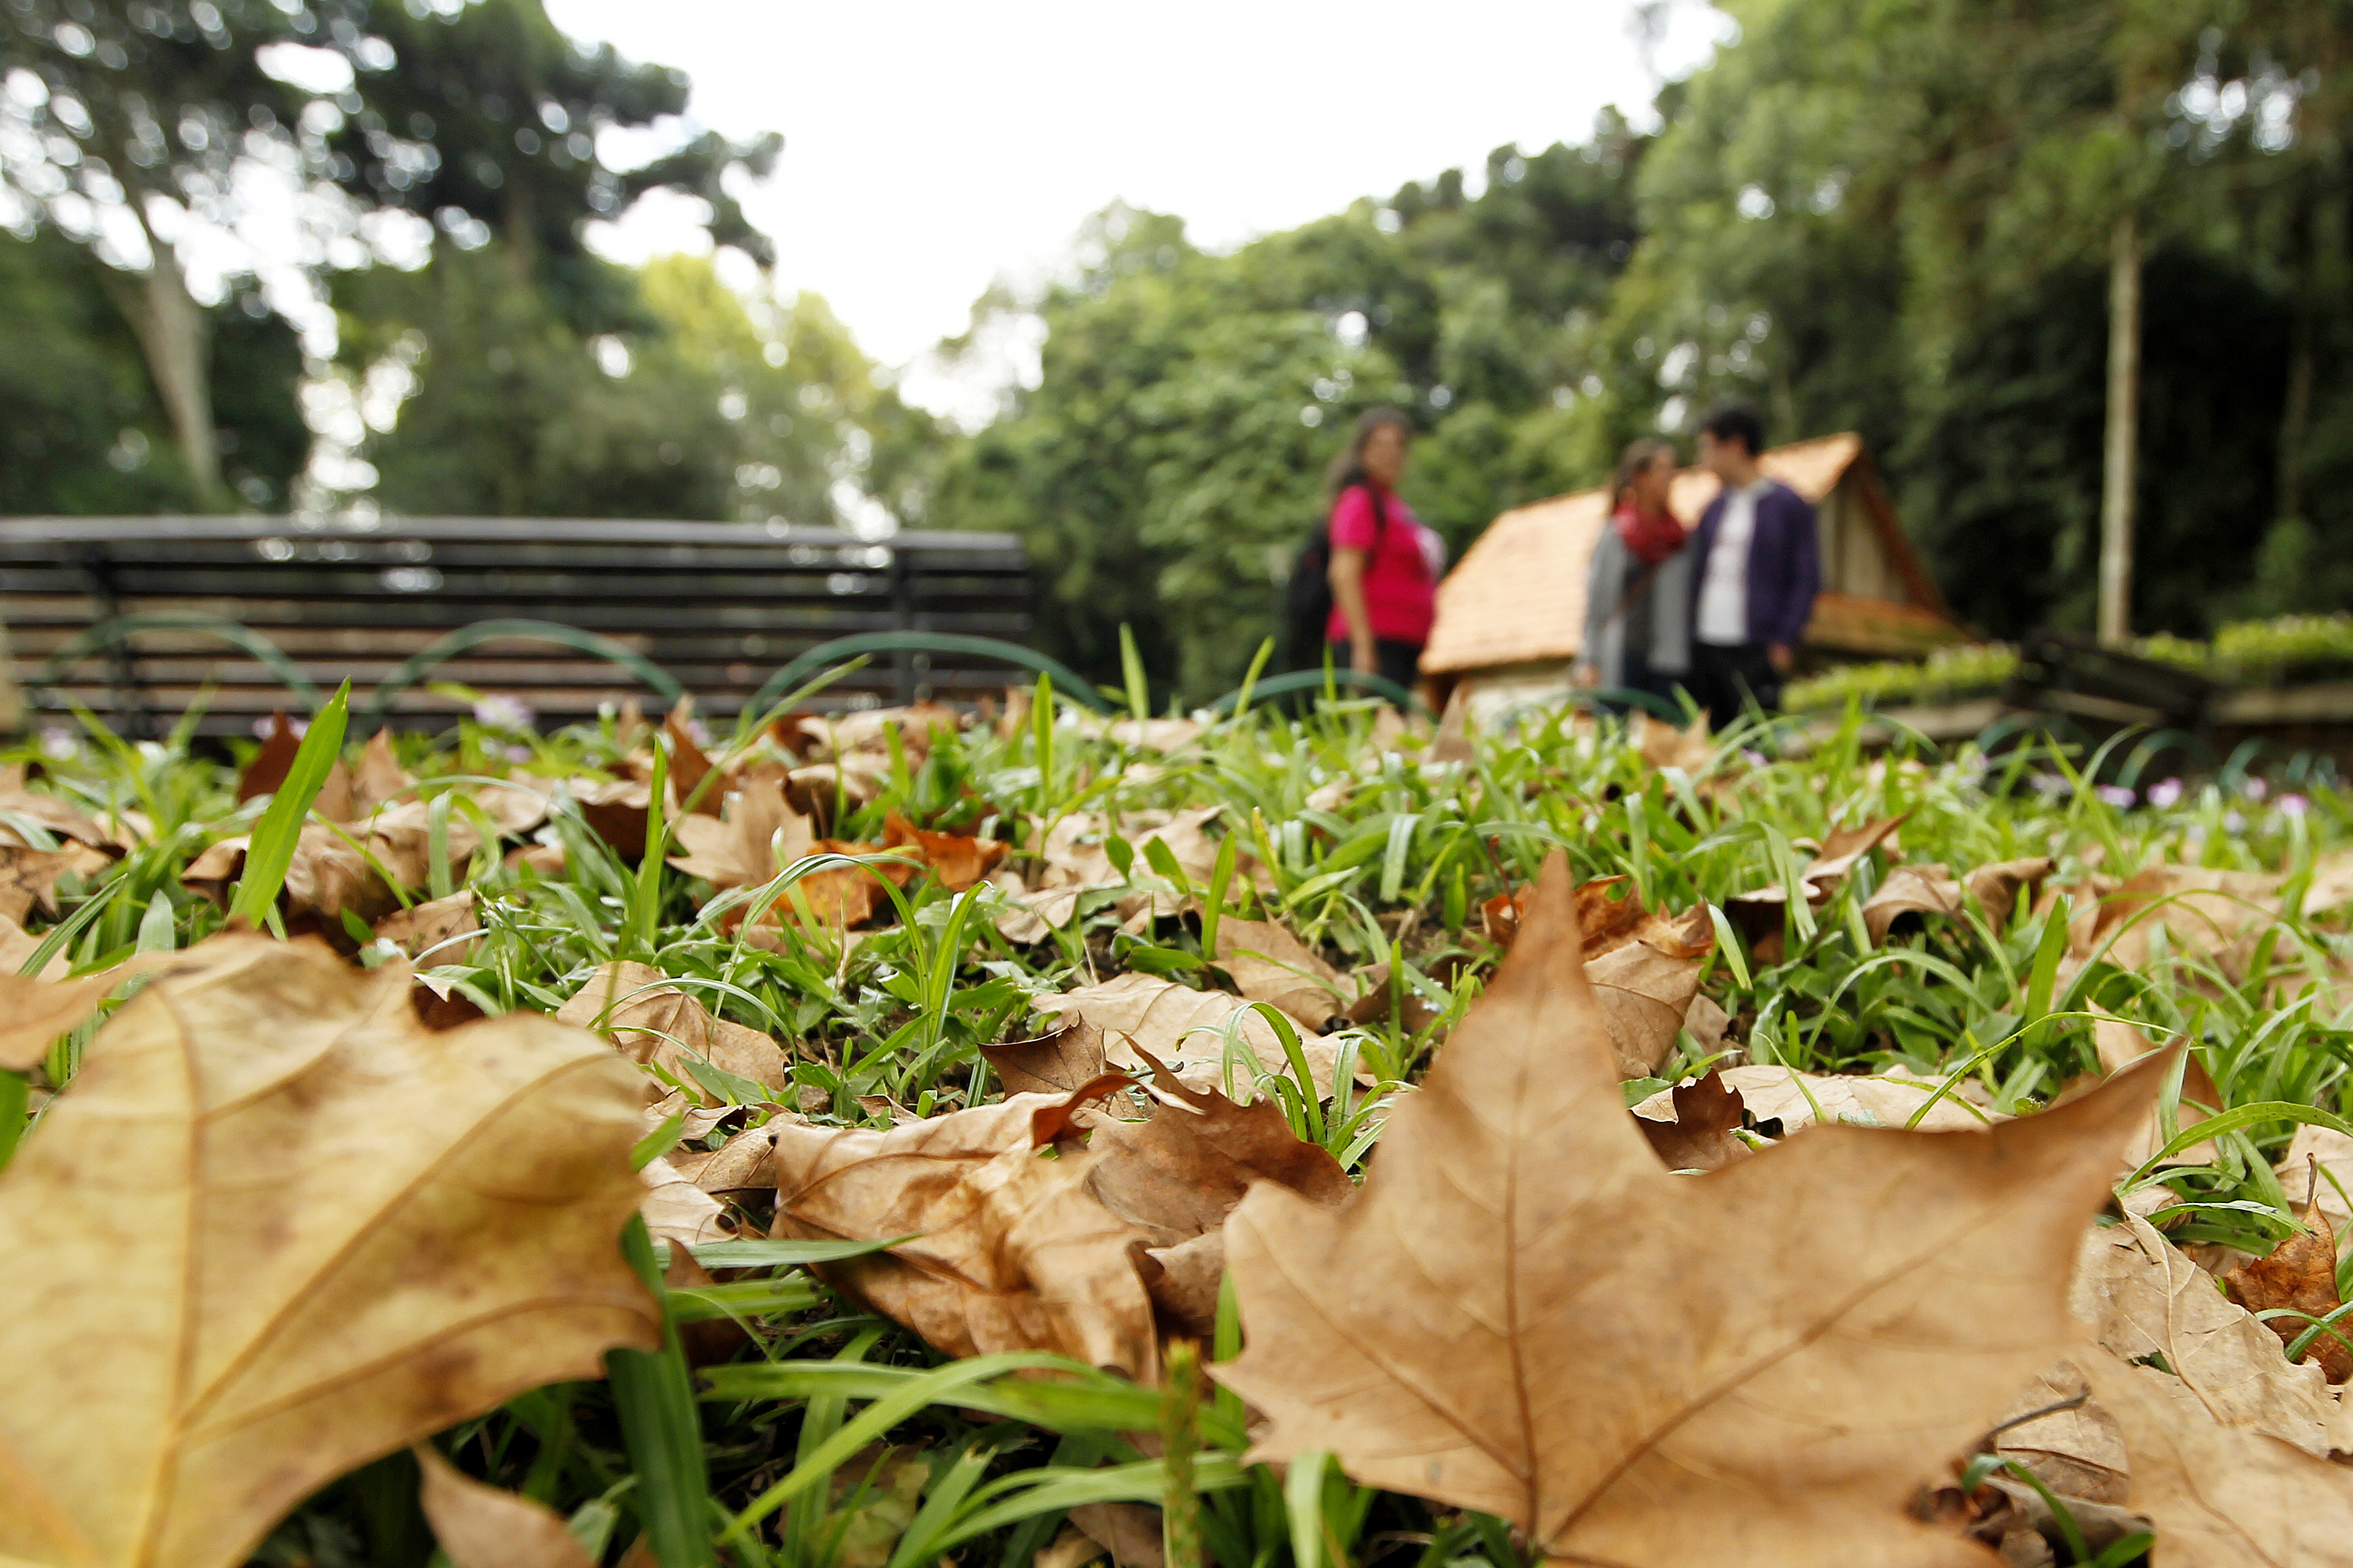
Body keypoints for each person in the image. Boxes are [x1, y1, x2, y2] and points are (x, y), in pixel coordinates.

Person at [1685, 402, 1819, 722]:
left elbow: (1807, 578)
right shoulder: (1712, 510)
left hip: (1757, 649)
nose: (1704, 461)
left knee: (1757, 740)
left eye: (1709, 448)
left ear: (1735, 446)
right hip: (1706, 646)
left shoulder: (1789, 506)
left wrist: (1785, 641)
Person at [1324, 407, 1444, 694]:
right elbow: (1343, 573)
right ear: (1362, 451)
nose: (1390, 453)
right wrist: (1363, 648)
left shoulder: (1395, 506)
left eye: (1398, 445)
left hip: (1406, 644)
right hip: (1375, 645)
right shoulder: (1360, 500)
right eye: (1380, 444)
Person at [1576, 437, 1692, 708]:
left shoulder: (1680, 538)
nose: (1672, 477)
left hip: (1668, 658)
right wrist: (1589, 659)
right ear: (1640, 477)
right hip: (1619, 657)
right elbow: (1597, 603)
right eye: (1664, 469)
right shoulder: (1614, 535)